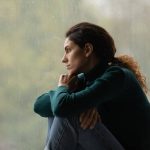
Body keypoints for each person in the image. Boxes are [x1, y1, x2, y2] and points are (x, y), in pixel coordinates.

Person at [34, 22, 150, 150]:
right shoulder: (84, 80)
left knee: (68, 111)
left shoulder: (117, 76)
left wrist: (63, 89)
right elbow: (39, 105)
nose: (64, 59)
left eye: (68, 50)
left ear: (87, 50)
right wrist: (68, 90)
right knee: (59, 109)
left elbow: (63, 107)